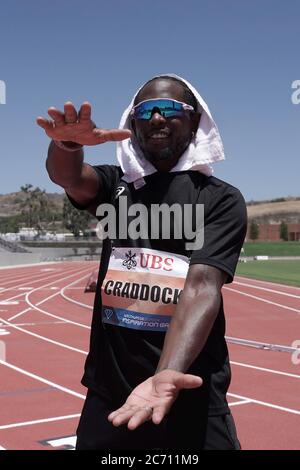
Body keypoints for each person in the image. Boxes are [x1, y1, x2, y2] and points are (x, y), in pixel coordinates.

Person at [37, 74, 247, 450]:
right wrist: (67, 144)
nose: (157, 118)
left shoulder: (221, 200)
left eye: (170, 109)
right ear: (132, 123)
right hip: (110, 393)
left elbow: (201, 288)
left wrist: (166, 374)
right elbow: (67, 175)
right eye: (145, 110)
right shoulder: (113, 186)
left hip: (189, 390)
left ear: (196, 121)